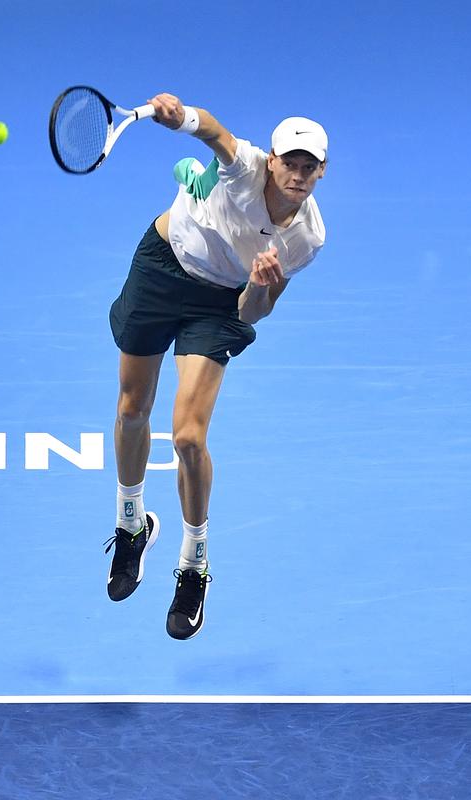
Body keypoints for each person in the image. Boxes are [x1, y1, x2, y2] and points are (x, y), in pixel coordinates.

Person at [103, 93, 328, 640]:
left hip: (220, 302)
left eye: (309, 167)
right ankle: (132, 524)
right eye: (290, 162)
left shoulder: (307, 238)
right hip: (163, 267)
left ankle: (194, 562)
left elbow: (253, 313)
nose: (297, 174)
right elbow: (213, 133)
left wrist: (259, 285)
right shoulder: (245, 166)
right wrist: (177, 115)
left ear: (322, 172)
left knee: (187, 438)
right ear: (271, 160)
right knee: (133, 408)